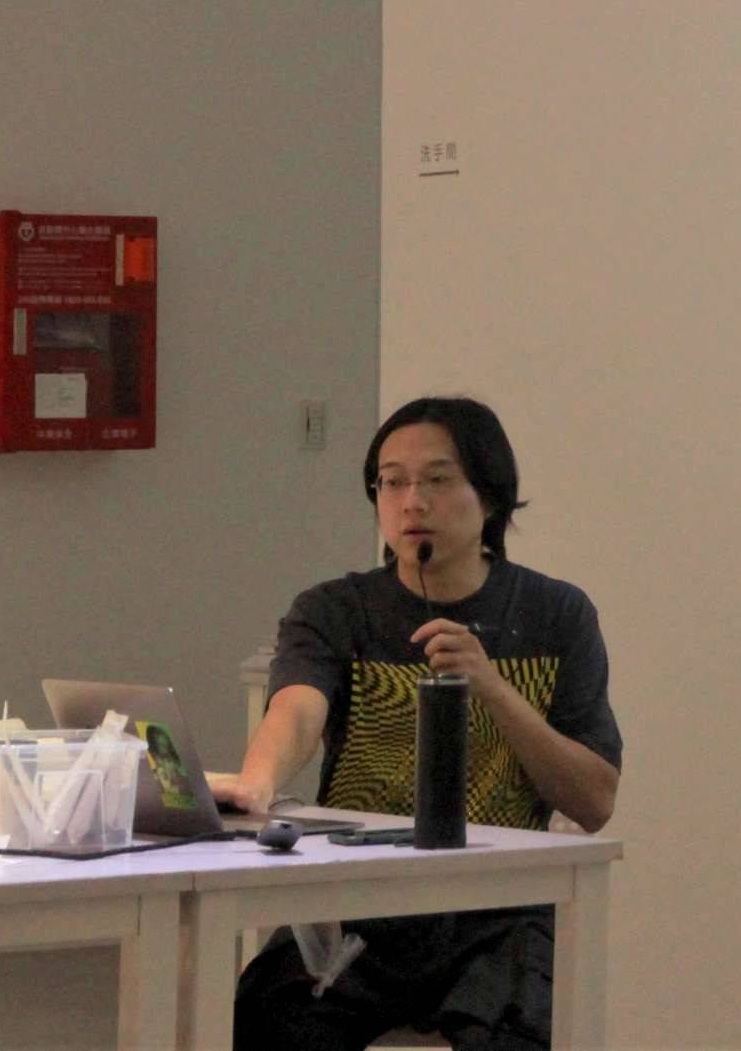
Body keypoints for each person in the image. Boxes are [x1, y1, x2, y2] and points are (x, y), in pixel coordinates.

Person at [216, 397, 622, 1051]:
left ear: (490, 496)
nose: (412, 502)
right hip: (357, 905)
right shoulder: (335, 609)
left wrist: (491, 687)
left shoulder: (556, 614)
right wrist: (256, 783)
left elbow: (595, 800)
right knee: (263, 1021)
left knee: (517, 1033)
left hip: (501, 911)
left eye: (437, 479)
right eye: (392, 482)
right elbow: (296, 708)